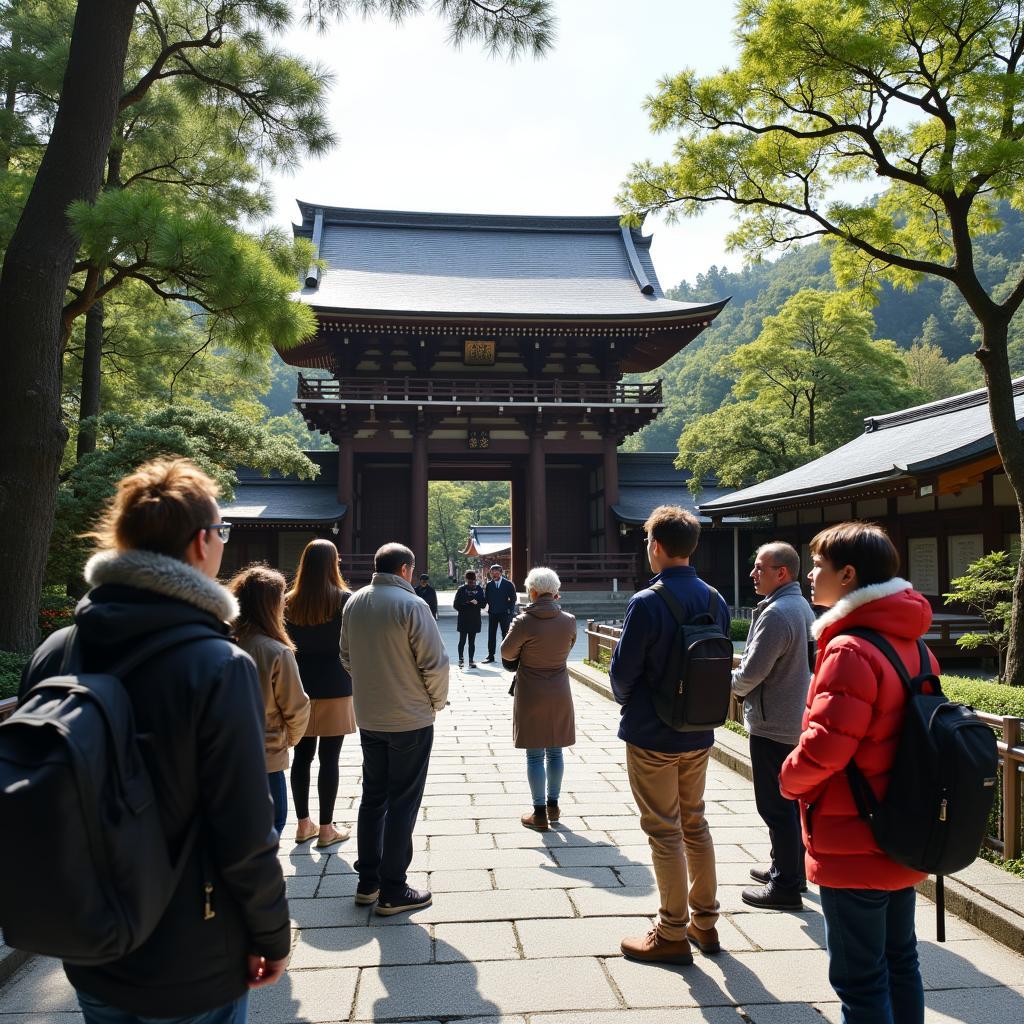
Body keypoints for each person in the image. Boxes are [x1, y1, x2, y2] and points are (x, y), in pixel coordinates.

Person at [20, 457, 288, 1023]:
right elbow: (242, 825)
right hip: (190, 944)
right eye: (222, 530)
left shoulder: (59, 648)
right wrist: (272, 931)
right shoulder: (217, 664)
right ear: (199, 544)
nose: (222, 541)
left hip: (87, 930)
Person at [780, 522, 934, 1024]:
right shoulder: (911, 643)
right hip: (899, 826)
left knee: (860, 980)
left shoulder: (849, 649)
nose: (811, 575)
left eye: (819, 566)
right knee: (900, 962)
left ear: (847, 575)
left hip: (854, 834)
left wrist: (788, 779)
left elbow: (826, 748)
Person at [609, 505, 730, 966]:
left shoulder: (647, 601)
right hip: (698, 732)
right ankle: (706, 921)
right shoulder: (715, 598)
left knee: (664, 830)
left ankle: (672, 931)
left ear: (656, 546)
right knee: (694, 822)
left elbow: (623, 674)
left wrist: (630, 704)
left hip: (653, 732)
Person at [341, 542, 449, 915]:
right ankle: (393, 887)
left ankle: (367, 880)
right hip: (409, 717)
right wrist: (434, 702)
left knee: (374, 796)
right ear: (405, 569)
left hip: (370, 716)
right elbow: (435, 664)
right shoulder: (413, 605)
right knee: (403, 799)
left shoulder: (354, 602)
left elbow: (346, 655)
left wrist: (371, 685)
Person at [731, 542, 815, 911]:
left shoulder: (778, 612)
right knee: (790, 802)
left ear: (782, 573)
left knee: (775, 805)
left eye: (760, 568)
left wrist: (726, 687)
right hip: (791, 717)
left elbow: (752, 671)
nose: (753, 573)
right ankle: (789, 869)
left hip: (774, 722)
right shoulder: (798, 605)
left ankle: (785, 886)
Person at [284, 539, 355, 849]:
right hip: (336, 686)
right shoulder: (344, 600)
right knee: (330, 759)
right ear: (333, 563)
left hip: (298, 687)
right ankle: (326, 829)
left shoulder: (288, 600)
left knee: (301, 757)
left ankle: (303, 825)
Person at [230, 565, 311, 838]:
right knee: (272, 825)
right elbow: (297, 708)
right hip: (266, 751)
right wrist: (288, 739)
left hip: (225, 751)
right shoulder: (275, 651)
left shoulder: (223, 640)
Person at [500, 567, 577, 831]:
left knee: (535, 755)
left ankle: (539, 812)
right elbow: (569, 646)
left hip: (531, 691)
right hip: (559, 689)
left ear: (532, 592)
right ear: (555, 592)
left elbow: (507, 653)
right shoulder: (568, 620)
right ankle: (554, 805)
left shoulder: (523, 621)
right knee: (555, 750)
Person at [482, 563, 517, 663]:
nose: (494, 575)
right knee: (491, 634)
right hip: (493, 613)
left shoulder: (508, 584)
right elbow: (486, 599)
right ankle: (490, 656)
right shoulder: (489, 585)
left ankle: (506, 656)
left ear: (501, 573)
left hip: (504, 613)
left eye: (496, 573)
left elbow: (513, 599)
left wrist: (510, 611)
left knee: (505, 635)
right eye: (492, 574)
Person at [453, 569, 485, 668]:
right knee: (462, 640)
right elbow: (456, 605)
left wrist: (477, 603)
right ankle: (461, 659)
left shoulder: (479, 589)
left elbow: (483, 604)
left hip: (474, 618)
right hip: (464, 617)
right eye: (470, 581)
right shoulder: (461, 589)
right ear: (466, 580)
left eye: (473, 580)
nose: (471, 582)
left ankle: (470, 660)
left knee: (471, 641)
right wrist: (467, 603)